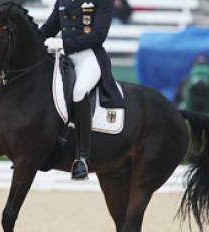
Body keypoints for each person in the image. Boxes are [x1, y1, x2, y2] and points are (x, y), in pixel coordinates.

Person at [40, 0, 124, 180]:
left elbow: (98, 36)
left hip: (89, 56)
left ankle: (82, 158)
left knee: (79, 92)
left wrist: (63, 44)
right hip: (63, 56)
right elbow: (49, 28)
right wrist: (30, 39)